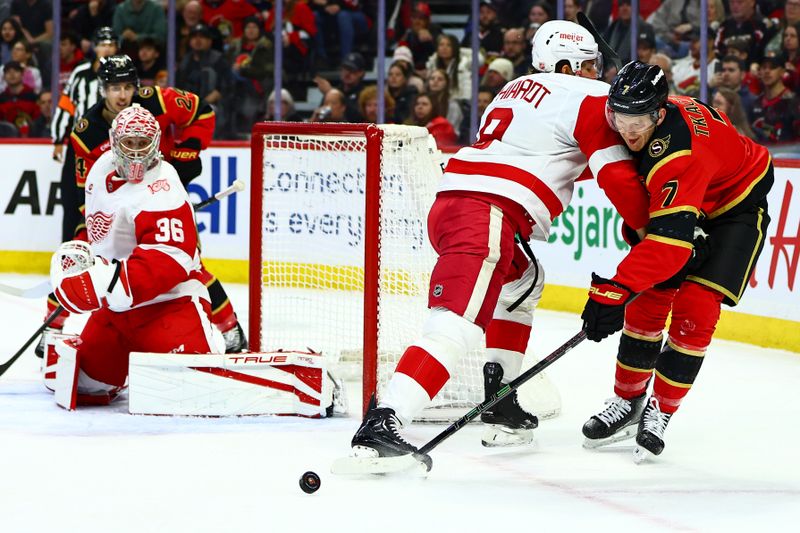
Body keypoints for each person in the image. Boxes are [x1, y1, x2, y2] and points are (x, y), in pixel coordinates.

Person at [347, 20, 651, 463]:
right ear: (565, 65)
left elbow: (554, 157)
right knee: (455, 324)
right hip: (485, 214)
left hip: (456, 204)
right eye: (588, 64)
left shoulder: (513, 90)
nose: (595, 73)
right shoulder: (588, 96)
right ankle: (384, 419)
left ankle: (500, 400)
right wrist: (652, 234)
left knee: (524, 282)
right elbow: (616, 177)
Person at [580, 61, 773, 463]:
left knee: (696, 308)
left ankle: (661, 409)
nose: (628, 132)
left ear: (659, 114)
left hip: (736, 206)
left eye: (639, 122)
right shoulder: (651, 122)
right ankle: (628, 401)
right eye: (620, 120)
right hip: (695, 195)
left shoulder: (678, 155)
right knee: (648, 300)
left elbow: (669, 245)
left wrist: (615, 288)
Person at [42, 54, 248, 359]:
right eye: (115, 88)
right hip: (116, 209)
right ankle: (51, 327)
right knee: (82, 265)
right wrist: (89, 228)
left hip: (160, 194)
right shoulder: (86, 132)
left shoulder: (157, 100)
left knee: (189, 265)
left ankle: (230, 328)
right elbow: (87, 191)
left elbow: (202, 112)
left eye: (128, 87)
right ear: (103, 89)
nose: (122, 95)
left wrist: (187, 153)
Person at [48, 105, 215, 406]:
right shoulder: (100, 170)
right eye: (129, 143)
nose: (136, 152)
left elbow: (169, 259)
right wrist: (83, 257)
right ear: (114, 141)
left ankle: (209, 342)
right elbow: (101, 229)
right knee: (83, 385)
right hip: (116, 311)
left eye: (143, 143)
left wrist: (102, 282)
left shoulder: (164, 185)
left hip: (169, 305)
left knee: (194, 389)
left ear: (156, 143)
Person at [50, 26, 118, 246]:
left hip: (111, 144)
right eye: (102, 44)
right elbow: (66, 105)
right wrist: (58, 139)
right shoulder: (80, 73)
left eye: (111, 44)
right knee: (71, 198)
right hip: (79, 143)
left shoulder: (122, 74)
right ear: (94, 48)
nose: (107, 49)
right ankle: (68, 250)